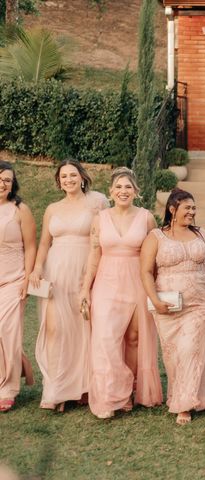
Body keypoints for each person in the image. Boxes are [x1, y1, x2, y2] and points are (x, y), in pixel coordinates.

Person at [80, 167, 163, 419]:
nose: (123, 191)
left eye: (128, 187)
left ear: (136, 192)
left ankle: (129, 392)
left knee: (134, 338)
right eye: (118, 187)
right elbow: (94, 255)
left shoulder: (147, 218)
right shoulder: (100, 218)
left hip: (136, 281)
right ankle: (110, 393)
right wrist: (86, 287)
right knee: (105, 338)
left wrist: (156, 287)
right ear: (111, 192)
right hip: (106, 281)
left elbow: (154, 257)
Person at [30, 159, 108, 412]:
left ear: (82, 177)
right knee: (54, 329)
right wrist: (38, 268)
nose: (69, 180)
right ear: (58, 181)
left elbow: (103, 237)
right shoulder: (52, 208)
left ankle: (81, 388)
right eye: (64, 177)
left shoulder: (97, 201)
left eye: (73, 175)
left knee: (82, 328)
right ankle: (56, 389)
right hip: (55, 272)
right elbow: (43, 243)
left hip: (84, 270)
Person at [140, 188, 205, 425]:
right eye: (187, 208)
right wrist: (155, 300)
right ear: (172, 209)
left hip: (199, 303)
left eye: (194, 208)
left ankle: (185, 405)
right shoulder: (156, 236)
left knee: (191, 349)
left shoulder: (203, 235)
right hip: (168, 304)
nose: (192, 212)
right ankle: (189, 396)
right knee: (173, 355)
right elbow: (145, 271)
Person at [0, 162, 37, 412]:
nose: (2, 184)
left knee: (8, 332)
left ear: (13, 184)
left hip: (14, 281)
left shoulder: (20, 209)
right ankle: (20, 364)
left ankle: (7, 389)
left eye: (7, 180)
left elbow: (31, 246)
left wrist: (27, 279)